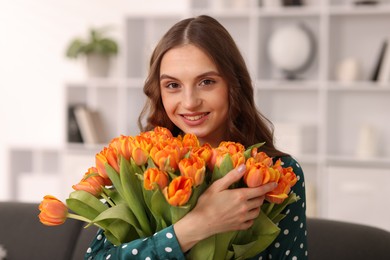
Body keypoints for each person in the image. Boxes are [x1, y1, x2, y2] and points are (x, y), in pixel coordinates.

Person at [85, 15, 307, 259]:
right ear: (159, 92)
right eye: (173, 85)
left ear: (234, 85)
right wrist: (194, 227)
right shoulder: (139, 166)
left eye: (206, 82)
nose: (190, 102)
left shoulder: (279, 173)